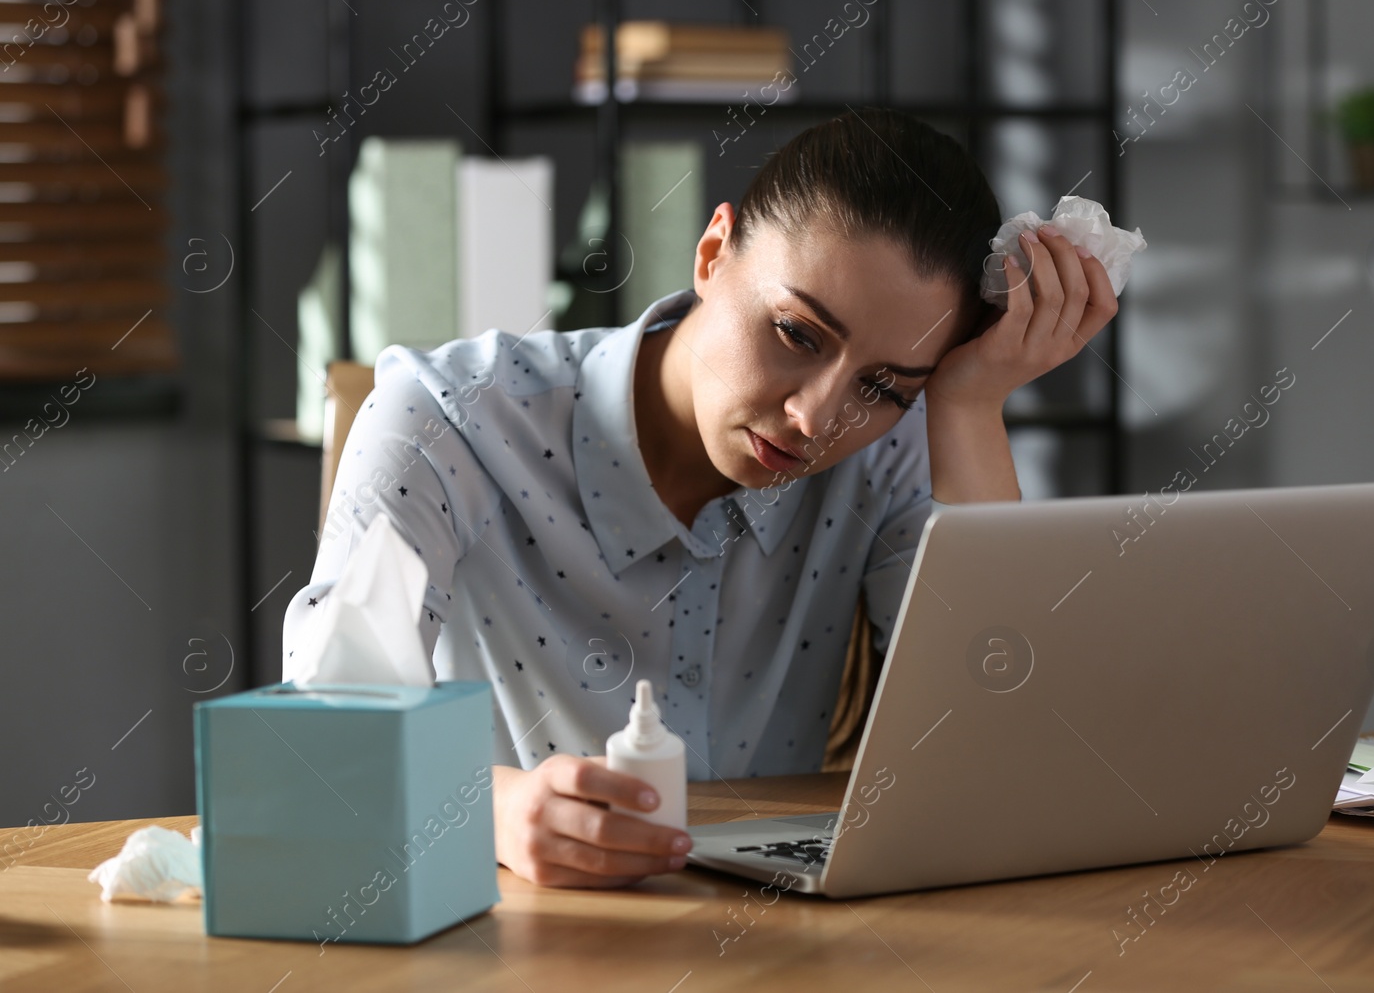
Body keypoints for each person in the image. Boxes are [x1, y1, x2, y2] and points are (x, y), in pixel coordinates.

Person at [282, 106, 1118, 889]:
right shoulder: (447, 420)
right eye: (796, 334)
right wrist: (487, 810)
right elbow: (322, 733)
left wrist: (969, 407)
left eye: (885, 385)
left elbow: (1005, 734)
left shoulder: (890, 454)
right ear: (713, 253)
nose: (815, 417)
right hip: (497, 926)